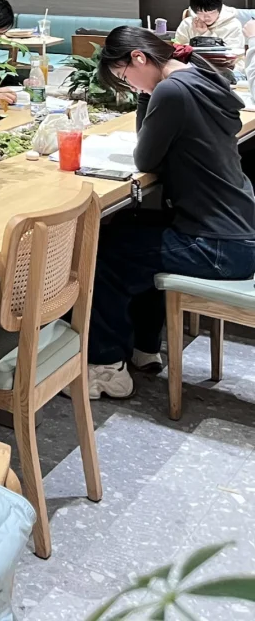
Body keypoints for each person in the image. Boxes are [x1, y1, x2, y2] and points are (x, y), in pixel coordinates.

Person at [88, 27, 255, 399]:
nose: (129, 85)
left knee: (105, 254)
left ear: (139, 58)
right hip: (238, 230)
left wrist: (145, 96)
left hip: (217, 245)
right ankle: (144, 348)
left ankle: (106, 367)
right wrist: (146, 93)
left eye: (124, 77)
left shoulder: (171, 91)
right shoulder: (200, 76)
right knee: (130, 229)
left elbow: (145, 158)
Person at [173, 0, 244, 53]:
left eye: (211, 12)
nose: (206, 17)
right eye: (201, 13)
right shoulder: (187, 24)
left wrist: (205, 34)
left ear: (219, 10)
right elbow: (178, 49)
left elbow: (234, 53)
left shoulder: (233, 25)